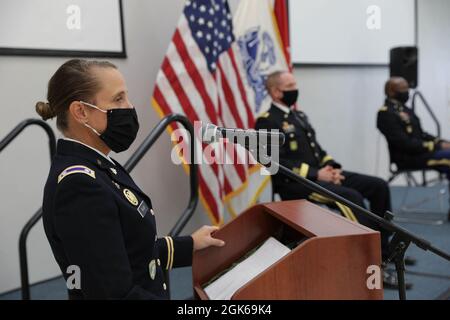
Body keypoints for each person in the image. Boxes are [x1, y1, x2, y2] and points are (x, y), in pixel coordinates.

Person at [36, 59, 225, 299]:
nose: (129, 107)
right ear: (81, 112)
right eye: (118, 99)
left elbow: (129, 250)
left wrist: (190, 245)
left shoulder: (100, 164)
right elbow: (115, 294)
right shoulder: (79, 185)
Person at [255, 71, 413, 289]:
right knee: (351, 198)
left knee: (378, 186)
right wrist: (316, 174)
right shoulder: (266, 121)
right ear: (275, 91)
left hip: (321, 176)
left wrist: (333, 168)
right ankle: (374, 264)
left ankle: (385, 251)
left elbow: (318, 151)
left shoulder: (298, 116)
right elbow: (272, 163)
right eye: (290, 85)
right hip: (296, 185)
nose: (295, 88)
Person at [377, 77, 450, 221]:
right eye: (403, 90)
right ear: (391, 92)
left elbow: (421, 134)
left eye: (407, 89)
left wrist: (440, 142)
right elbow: (405, 144)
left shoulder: (405, 109)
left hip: (421, 153)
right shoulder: (385, 114)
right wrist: (435, 146)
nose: (407, 93)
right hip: (407, 158)